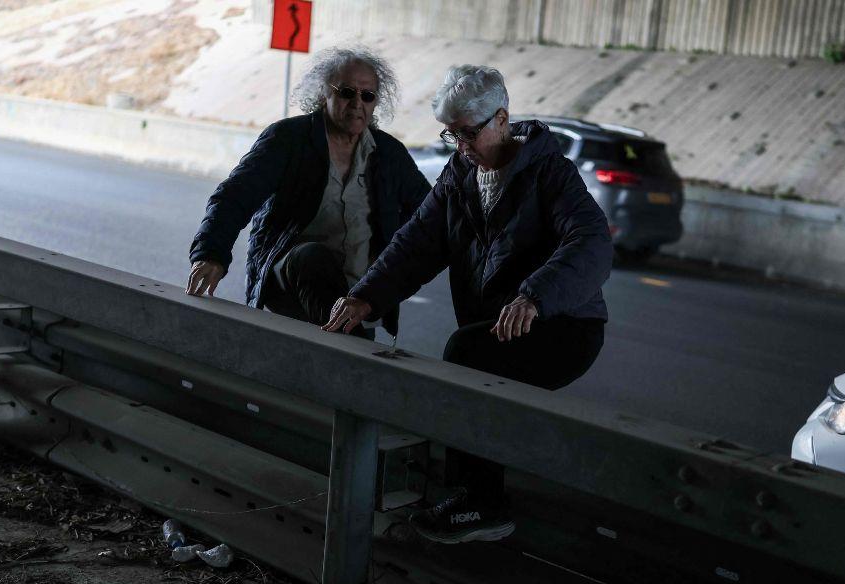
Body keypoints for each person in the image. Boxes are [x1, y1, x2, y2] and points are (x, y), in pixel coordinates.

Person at [324, 65, 613, 543]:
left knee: (466, 356)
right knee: (473, 361)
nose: (459, 146)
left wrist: (535, 295)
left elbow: (592, 242)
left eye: (468, 133)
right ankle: (470, 495)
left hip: (566, 325)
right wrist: (364, 296)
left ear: (501, 119)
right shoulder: (460, 175)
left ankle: (481, 504)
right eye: (451, 134)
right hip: (499, 326)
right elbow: (418, 243)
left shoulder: (549, 172)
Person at [186, 47, 430, 339]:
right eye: (346, 92)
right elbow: (235, 195)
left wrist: (387, 272)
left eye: (367, 96)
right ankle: (352, 352)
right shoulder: (288, 139)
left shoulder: (390, 155)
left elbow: (429, 216)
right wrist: (211, 254)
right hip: (290, 276)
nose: (357, 103)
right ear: (323, 92)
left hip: (358, 295)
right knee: (312, 258)